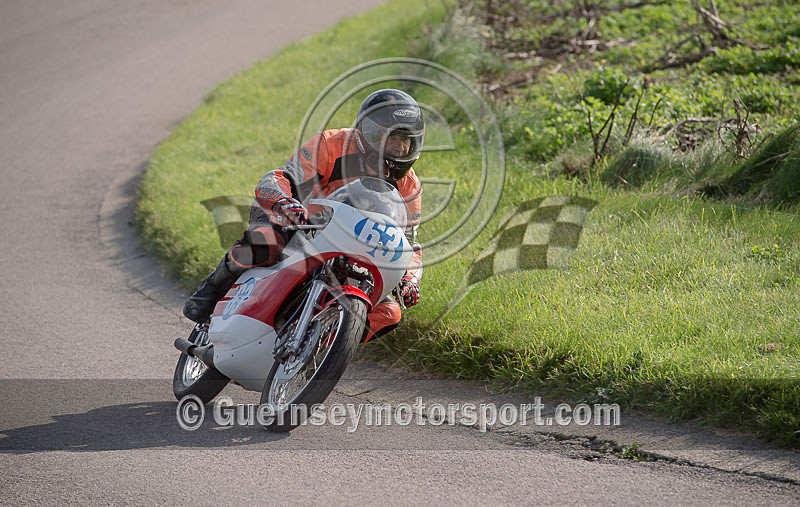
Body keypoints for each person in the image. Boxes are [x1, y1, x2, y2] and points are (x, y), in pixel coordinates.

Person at [183, 89, 424, 341]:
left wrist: (409, 279)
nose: (400, 147)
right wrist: (284, 204)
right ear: (370, 133)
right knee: (266, 241)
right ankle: (210, 292)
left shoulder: (410, 186)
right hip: (297, 223)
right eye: (393, 138)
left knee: (390, 312)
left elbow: (408, 243)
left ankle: (319, 349)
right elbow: (280, 178)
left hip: (350, 249)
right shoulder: (331, 144)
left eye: (407, 140)